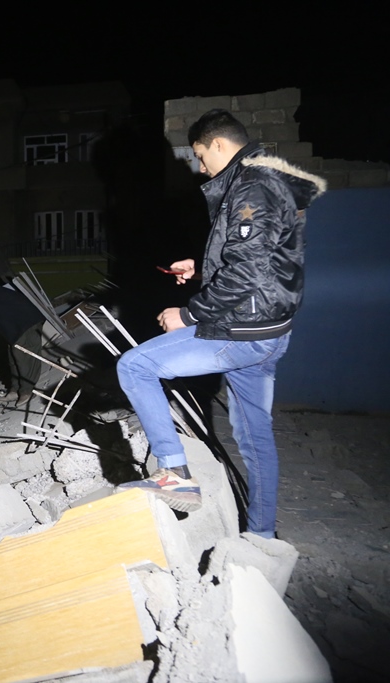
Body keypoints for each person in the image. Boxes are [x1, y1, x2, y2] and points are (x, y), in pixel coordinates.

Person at [115, 109, 326, 538]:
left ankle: (174, 475)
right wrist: (202, 267)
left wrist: (188, 313)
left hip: (243, 332)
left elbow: (247, 273)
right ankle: (262, 536)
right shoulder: (261, 180)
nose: (198, 166)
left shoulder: (252, 187)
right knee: (254, 438)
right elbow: (260, 261)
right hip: (269, 331)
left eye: (198, 155)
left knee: (134, 367)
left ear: (217, 144)